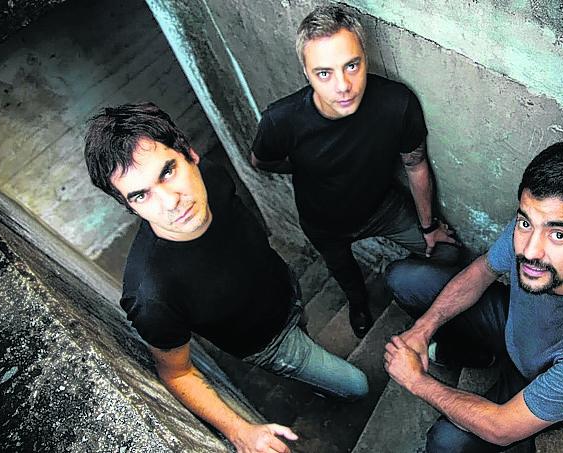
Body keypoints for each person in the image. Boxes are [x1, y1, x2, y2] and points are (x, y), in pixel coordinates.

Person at [84, 102, 368, 453]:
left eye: (168, 171)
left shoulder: (211, 175)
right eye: (141, 195)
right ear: (130, 207)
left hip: (285, 287)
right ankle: (321, 384)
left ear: (190, 154)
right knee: (357, 386)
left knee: (305, 331)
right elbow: (176, 372)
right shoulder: (151, 294)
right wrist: (238, 430)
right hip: (267, 344)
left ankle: (312, 365)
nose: (170, 202)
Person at [383, 142, 563, 452]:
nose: (529, 251)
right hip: (516, 326)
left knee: (446, 443)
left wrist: (416, 380)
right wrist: (423, 329)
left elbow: (502, 428)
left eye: (558, 234)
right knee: (406, 279)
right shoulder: (535, 229)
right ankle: (478, 355)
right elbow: (483, 271)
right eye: (525, 222)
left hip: (544, 373)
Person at [250, 5, 460, 338]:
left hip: (384, 208)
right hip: (325, 224)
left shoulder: (396, 103)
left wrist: (429, 226)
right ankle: (358, 304)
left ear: (364, 57)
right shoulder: (281, 121)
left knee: (448, 253)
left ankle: (439, 319)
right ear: (306, 72)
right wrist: (304, 168)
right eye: (324, 73)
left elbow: (415, 164)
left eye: (351, 65)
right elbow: (261, 161)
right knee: (345, 273)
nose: (343, 86)